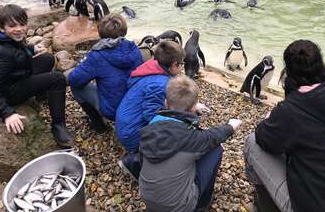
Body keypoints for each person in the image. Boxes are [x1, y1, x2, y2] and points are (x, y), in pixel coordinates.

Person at [244, 39, 325, 212]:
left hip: (319, 207)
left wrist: (274, 117)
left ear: (288, 71)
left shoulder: (293, 109)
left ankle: (265, 206)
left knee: (252, 142)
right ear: (321, 64)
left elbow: (264, 138)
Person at [139, 75, 242, 212]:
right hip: (179, 206)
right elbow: (212, 136)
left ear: (165, 102)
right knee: (215, 150)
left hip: (147, 198)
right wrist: (231, 126)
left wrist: (191, 108)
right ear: (194, 106)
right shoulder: (191, 137)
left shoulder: (150, 127)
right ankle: (202, 204)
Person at [0, 4, 73, 148]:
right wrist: (7, 113)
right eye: (12, 26)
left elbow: (16, 49)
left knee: (47, 59)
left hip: (15, 77)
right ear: (2, 27)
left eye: (22, 24)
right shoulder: (0, 53)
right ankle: (58, 126)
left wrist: (31, 49)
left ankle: (41, 94)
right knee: (58, 79)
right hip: (9, 93)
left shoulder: (4, 37)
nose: (19, 29)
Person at [115, 40, 185, 177]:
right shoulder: (160, 84)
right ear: (174, 65)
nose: (183, 67)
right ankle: (134, 162)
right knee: (176, 137)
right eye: (182, 64)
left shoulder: (151, 68)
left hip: (124, 124)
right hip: (131, 134)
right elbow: (152, 117)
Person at [68, 13, 143, 132]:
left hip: (114, 111)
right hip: (136, 107)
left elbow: (73, 79)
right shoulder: (134, 49)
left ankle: (98, 124)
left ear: (100, 33)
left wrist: (85, 63)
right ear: (124, 31)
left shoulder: (97, 55)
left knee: (76, 87)